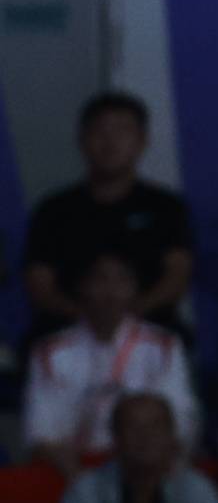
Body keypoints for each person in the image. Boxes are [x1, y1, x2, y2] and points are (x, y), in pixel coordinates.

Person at [19, 94, 196, 339]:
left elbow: (177, 277)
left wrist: (127, 318)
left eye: (122, 131)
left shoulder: (166, 208)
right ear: (81, 140)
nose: (110, 142)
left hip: (149, 329)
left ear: (142, 141)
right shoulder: (53, 210)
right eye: (100, 131)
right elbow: (40, 284)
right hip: (69, 332)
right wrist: (87, 319)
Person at [20, 248, 199, 481]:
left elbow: (181, 422)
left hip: (146, 467)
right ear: (81, 286)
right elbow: (40, 435)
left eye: (122, 279)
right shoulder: (49, 353)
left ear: (136, 287)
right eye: (100, 278)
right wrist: (82, 482)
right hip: (74, 469)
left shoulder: (163, 346)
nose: (110, 291)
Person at [56, 398, 217, 503]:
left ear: (171, 437)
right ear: (115, 438)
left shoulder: (196, 490)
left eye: (155, 427)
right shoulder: (86, 492)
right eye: (133, 427)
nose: (145, 436)